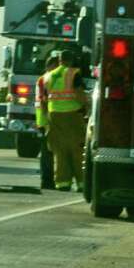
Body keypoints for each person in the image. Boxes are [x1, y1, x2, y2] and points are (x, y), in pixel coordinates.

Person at [35, 49, 87, 191]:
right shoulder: (73, 73)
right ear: (71, 60)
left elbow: (44, 100)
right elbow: (78, 93)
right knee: (77, 149)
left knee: (60, 151)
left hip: (54, 116)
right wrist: (86, 107)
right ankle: (82, 183)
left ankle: (62, 183)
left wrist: (46, 119)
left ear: (59, 60)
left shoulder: (48, 77)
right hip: (72, 115)